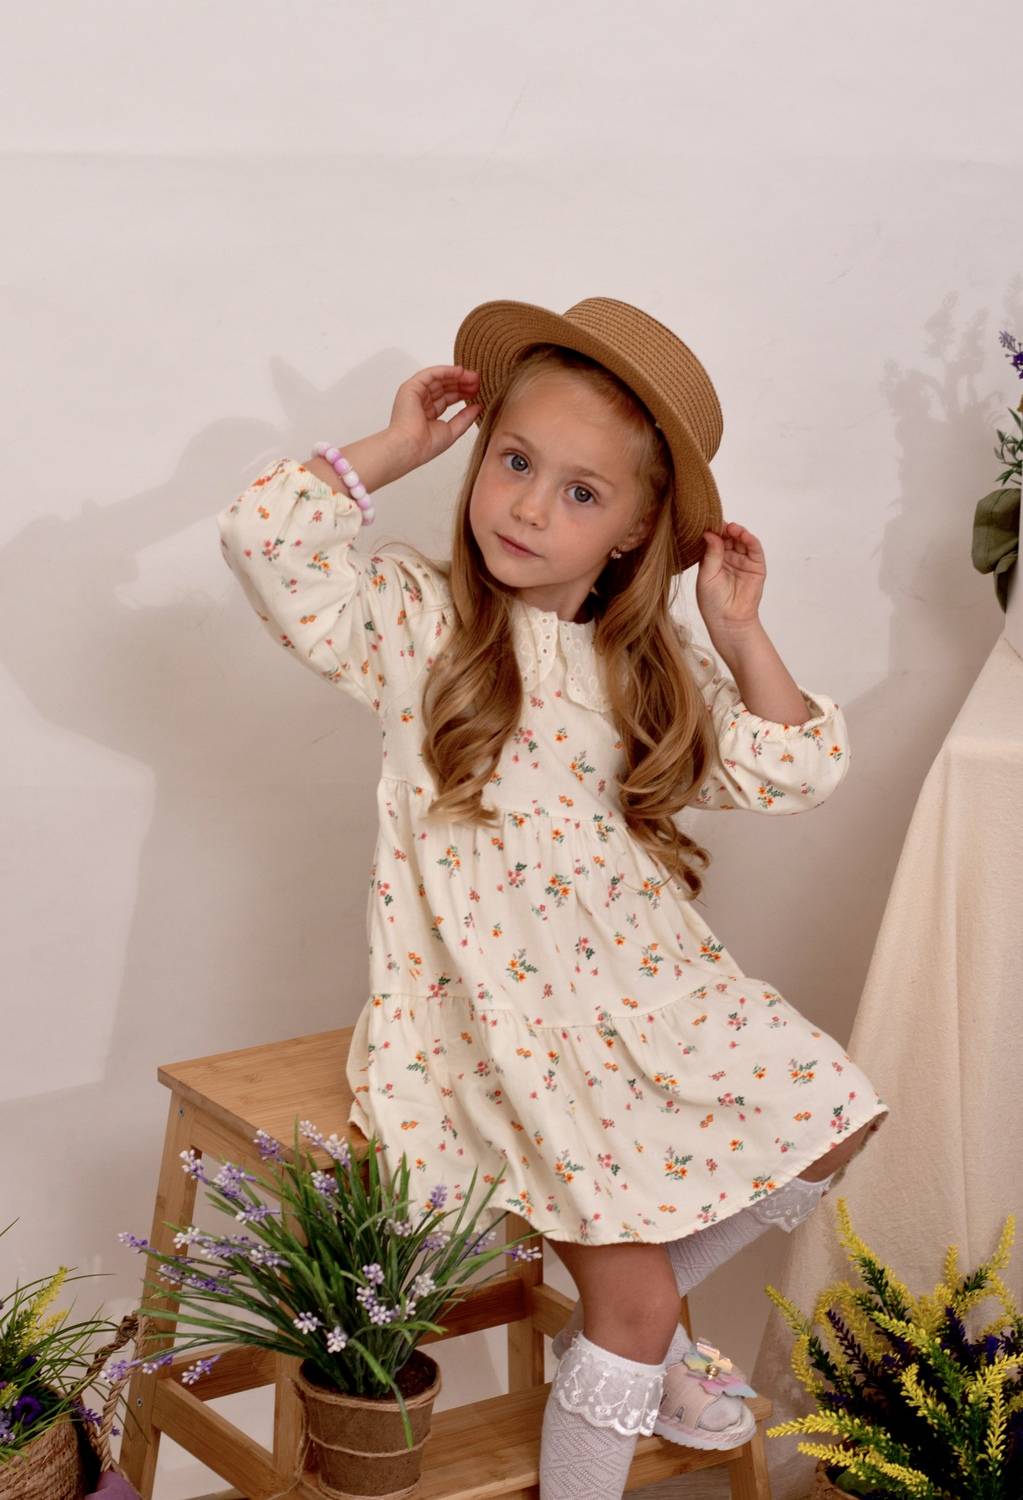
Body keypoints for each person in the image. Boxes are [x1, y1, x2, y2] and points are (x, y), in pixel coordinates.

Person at [216, 297, 889, 1499]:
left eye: (581, 492)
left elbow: (796, 768)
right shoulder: (421, 623)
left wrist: (740, 633)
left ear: (635, 533)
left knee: (835, 1113)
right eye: (516, 463)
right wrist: (394, 449)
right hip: (510, 1028)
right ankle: (639, 1332)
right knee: (630, 1306)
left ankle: (641, 1324)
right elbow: (265, 537)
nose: (529, 507)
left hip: (644, 998)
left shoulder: (644, 667)